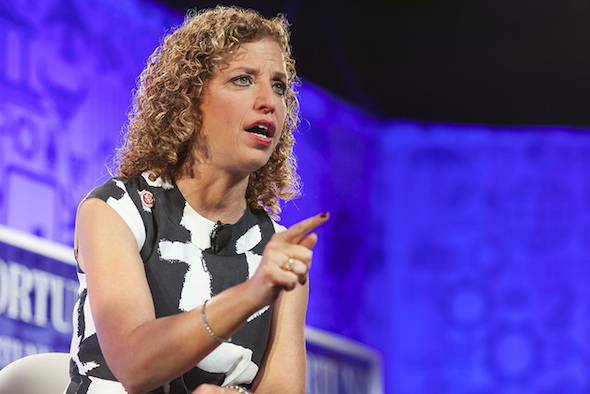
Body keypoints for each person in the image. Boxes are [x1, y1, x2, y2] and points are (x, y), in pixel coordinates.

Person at [66, 5, 328, 394]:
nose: (269, 101)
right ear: (189, 102)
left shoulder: (277, 249)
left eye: (278, 86)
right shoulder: (116, 211)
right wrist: (252, 293)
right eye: (242, 80)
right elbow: (134, 365)